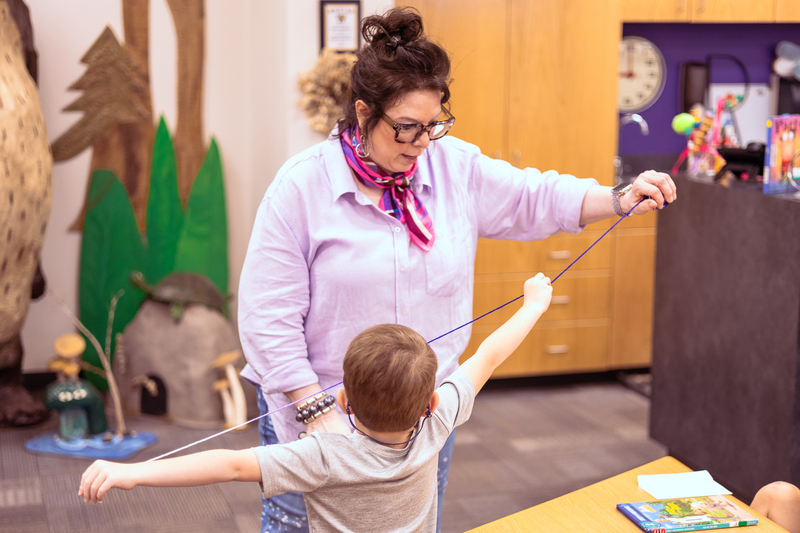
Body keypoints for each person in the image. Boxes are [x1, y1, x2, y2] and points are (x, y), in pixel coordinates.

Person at [237, 7, 677, 532]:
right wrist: (317, 414)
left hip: (419, 417)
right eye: (405, 129)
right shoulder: (301, 187)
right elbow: (269, 317)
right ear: (363, 113)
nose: (421, 144)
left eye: (432, 126)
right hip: (320, 417)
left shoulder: (453, 165)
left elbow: (533, 196)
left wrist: (618, 197)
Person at [78, 273, 554, 533]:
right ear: (430, 401)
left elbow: (228, 465)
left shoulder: (323, 455)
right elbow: (488, 354)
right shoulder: (437, 423)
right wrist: (532, 305)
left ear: (342, 400)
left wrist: (131, 472)